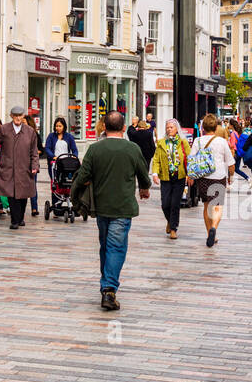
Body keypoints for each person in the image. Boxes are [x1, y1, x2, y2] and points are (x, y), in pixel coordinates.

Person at [71, 112, 151, 310]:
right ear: (124, 128)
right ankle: (108, 289)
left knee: (106, 246)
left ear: (104, 127)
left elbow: (83, 176)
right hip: (122, 207)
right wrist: (144, 188)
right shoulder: (132, 149)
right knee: (116, 247)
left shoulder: (95, 149)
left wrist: (74, 195)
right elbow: (143, 174)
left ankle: (106, 284)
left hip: (101, 206)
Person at [0, 105, 41, 229]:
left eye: (20, 115)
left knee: (23, 195)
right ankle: (14, 220)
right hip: (8, 168)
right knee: (12, 194)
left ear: (23, 116)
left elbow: (34, 151)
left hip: (25, 168)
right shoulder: (4, 129)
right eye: (15, 115)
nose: (18, 118)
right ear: (11, 116)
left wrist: (35, 165)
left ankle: (20, 217)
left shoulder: (30, 132)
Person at [188, 114, 235, 247]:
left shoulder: (198, 141)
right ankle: (214, 227)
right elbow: (231, 163)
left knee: (207, 206)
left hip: (203, 177)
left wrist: (191, 176)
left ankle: (209, 233)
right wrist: (231, 176)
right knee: (218, 206)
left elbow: (192, 159)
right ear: (216, 127)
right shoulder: (222, 142)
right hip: (219, 177)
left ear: (203, 127)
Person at [150, 119, 190, 239]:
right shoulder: (161, 142)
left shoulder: (183, 142)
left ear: (177, 129)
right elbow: (156, 159)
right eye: (167, 127)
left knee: (175, 204)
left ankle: (173, 229)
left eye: (171, 127)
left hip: (180, 177)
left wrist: (190, 174)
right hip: (166, 177)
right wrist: (155, 174)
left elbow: (189, 158)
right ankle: (169, 220)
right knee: (165, 204)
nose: (169, 129)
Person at [43, 117, 79, 187]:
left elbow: (74, 150)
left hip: (66, 164)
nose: (58, 128)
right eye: (56, 126)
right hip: (54, 163)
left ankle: (66, 197)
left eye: (60, 126)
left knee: (66, 182)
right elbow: (47, 148)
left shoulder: (69, 137)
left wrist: (74, 157)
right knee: (55, 183)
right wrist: (53, 157)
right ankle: (55, 197)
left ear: (64, 126)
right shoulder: (51, 136)